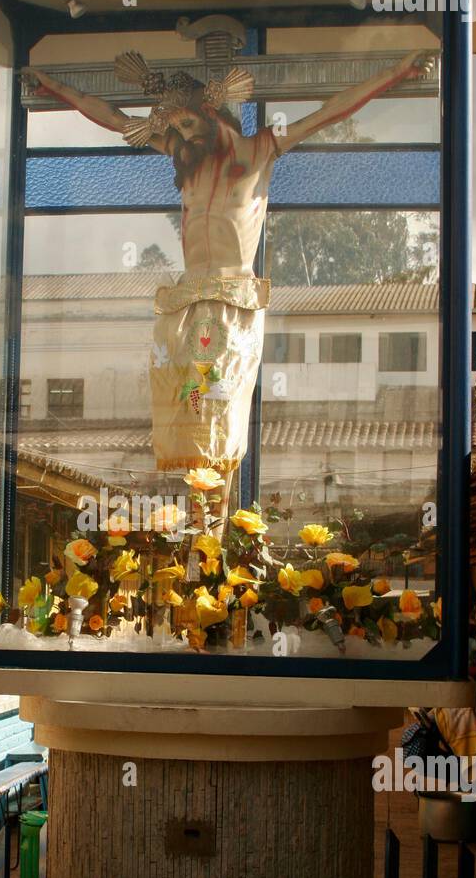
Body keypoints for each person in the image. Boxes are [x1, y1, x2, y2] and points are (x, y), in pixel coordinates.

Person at [23, 46, 432, 522]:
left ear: (212, 112)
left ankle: (213, 532)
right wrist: (49, 85)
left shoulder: (260, 150)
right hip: (184, 304)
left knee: (222, 413)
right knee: (185, 416)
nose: (179, 134)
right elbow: (114, 118)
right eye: (173, 128)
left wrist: (397, 71)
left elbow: (329, 112)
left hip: (232, 303)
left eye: (186, 124)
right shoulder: (183, 156)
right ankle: (200, 532)